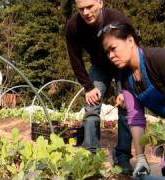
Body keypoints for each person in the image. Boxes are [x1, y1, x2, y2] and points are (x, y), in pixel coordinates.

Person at [100, 22, 165, 179]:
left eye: (113, 48)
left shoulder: (159, 59)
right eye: (107, 52)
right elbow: (136, 120)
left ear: (130, 41)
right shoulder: (126, 78)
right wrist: (141, 157)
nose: (110, 56)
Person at [65, 0, 133, 174]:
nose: (86, 12)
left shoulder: (118, 20)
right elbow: (75, 59)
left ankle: (123, 156)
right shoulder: (74, 26)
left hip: (122, 65)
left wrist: (125, 88)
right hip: (100, 66)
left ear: (100, 2)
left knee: (127, 107)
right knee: (91, 105)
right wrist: (88, 87)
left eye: (90, 7)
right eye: (81, 9)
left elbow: (133, 53)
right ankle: (90, 153)